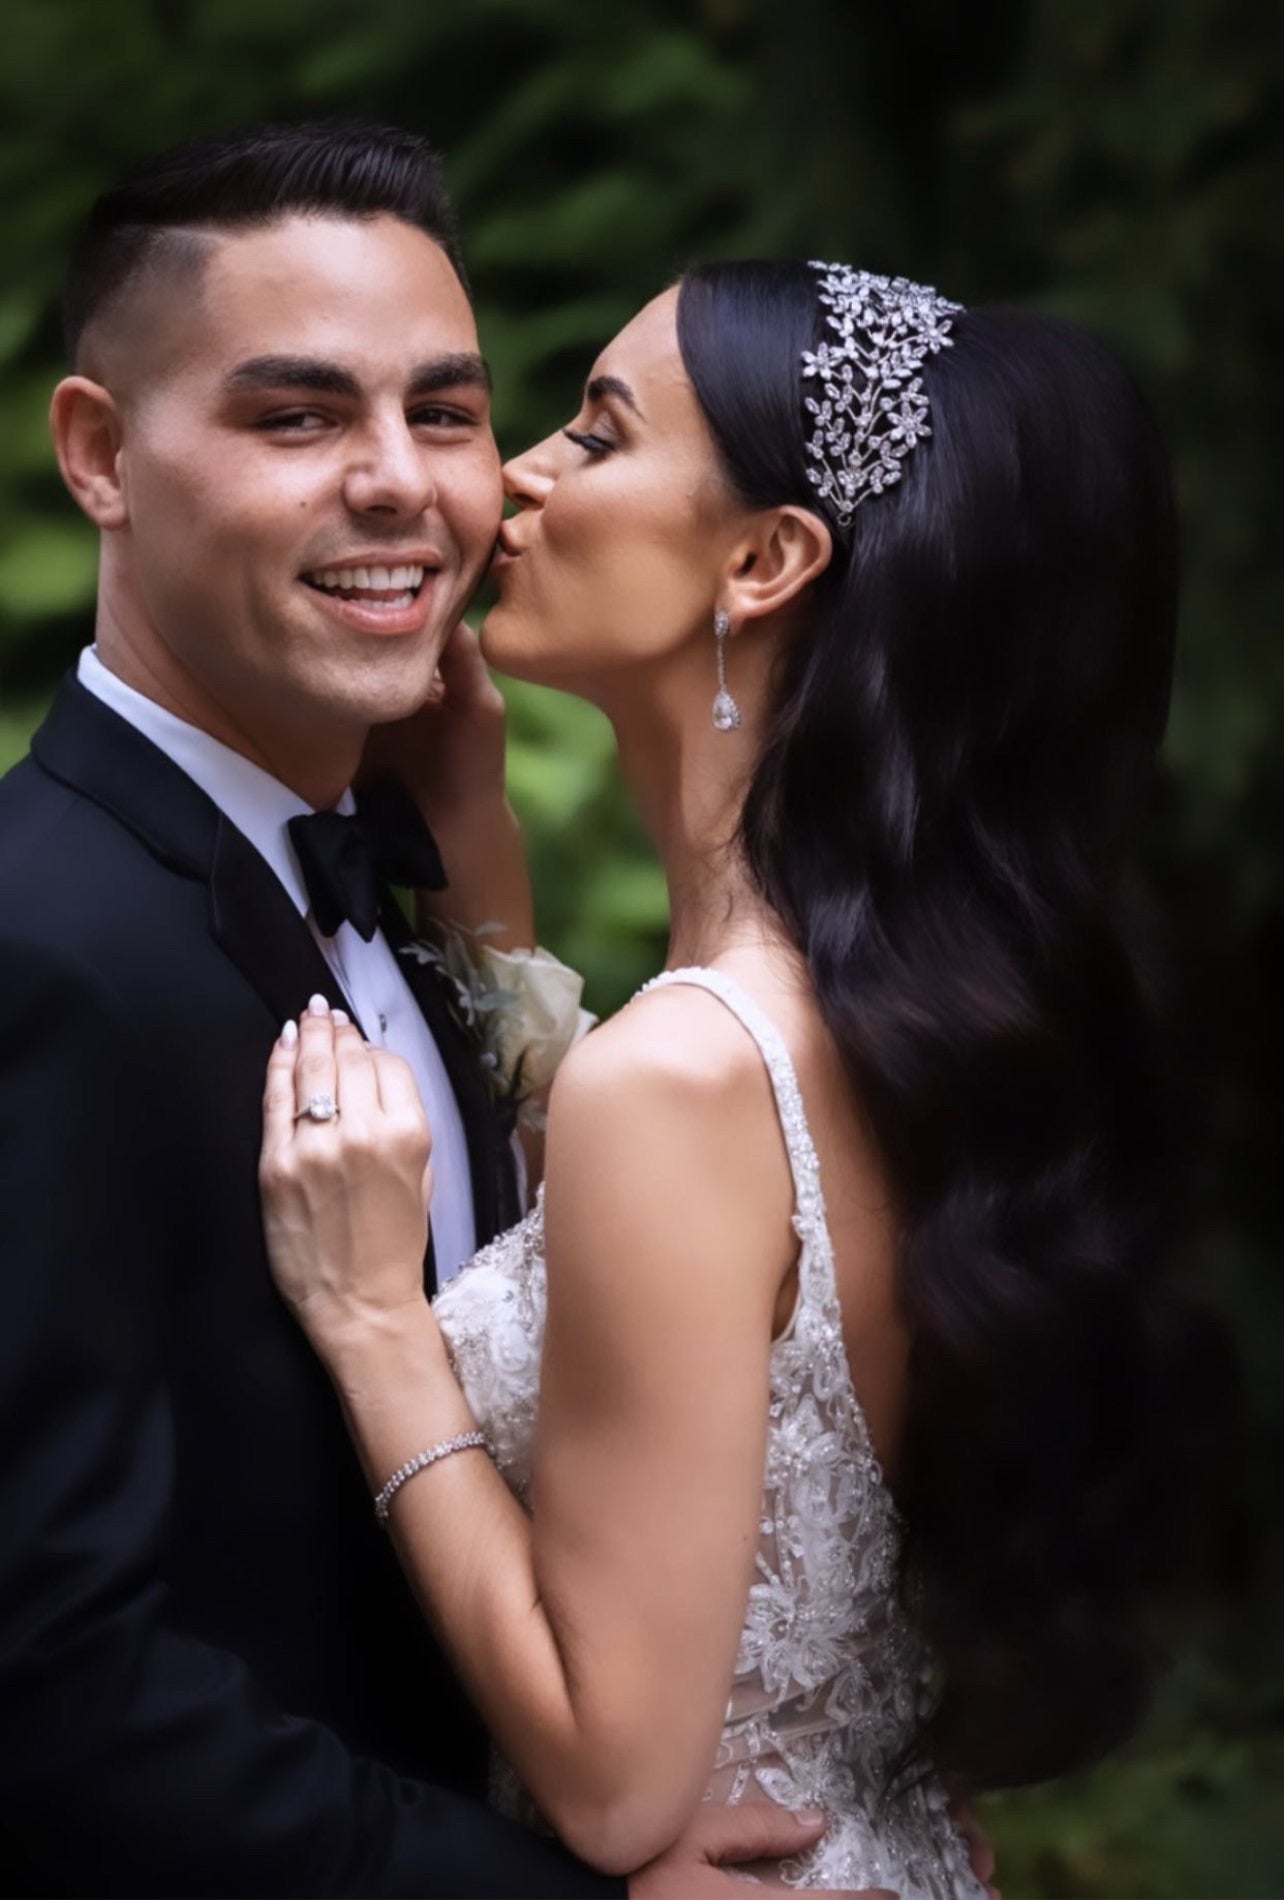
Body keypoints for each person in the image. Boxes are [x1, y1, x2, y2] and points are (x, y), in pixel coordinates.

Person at [260, 259, 1200, 1892]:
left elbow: (619, 1790)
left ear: (764, 562)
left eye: (602, 436)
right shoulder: (893, 1021)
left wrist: (374, 1333)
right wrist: (479, 871)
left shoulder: (686, 1082)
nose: (523, 476)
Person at [0, 122, 849, 1898]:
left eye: (447, 414)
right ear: (101, 455)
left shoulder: (422, 890)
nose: (402, 484)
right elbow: (52, 1684)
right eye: (296, 418)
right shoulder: (37, 945)